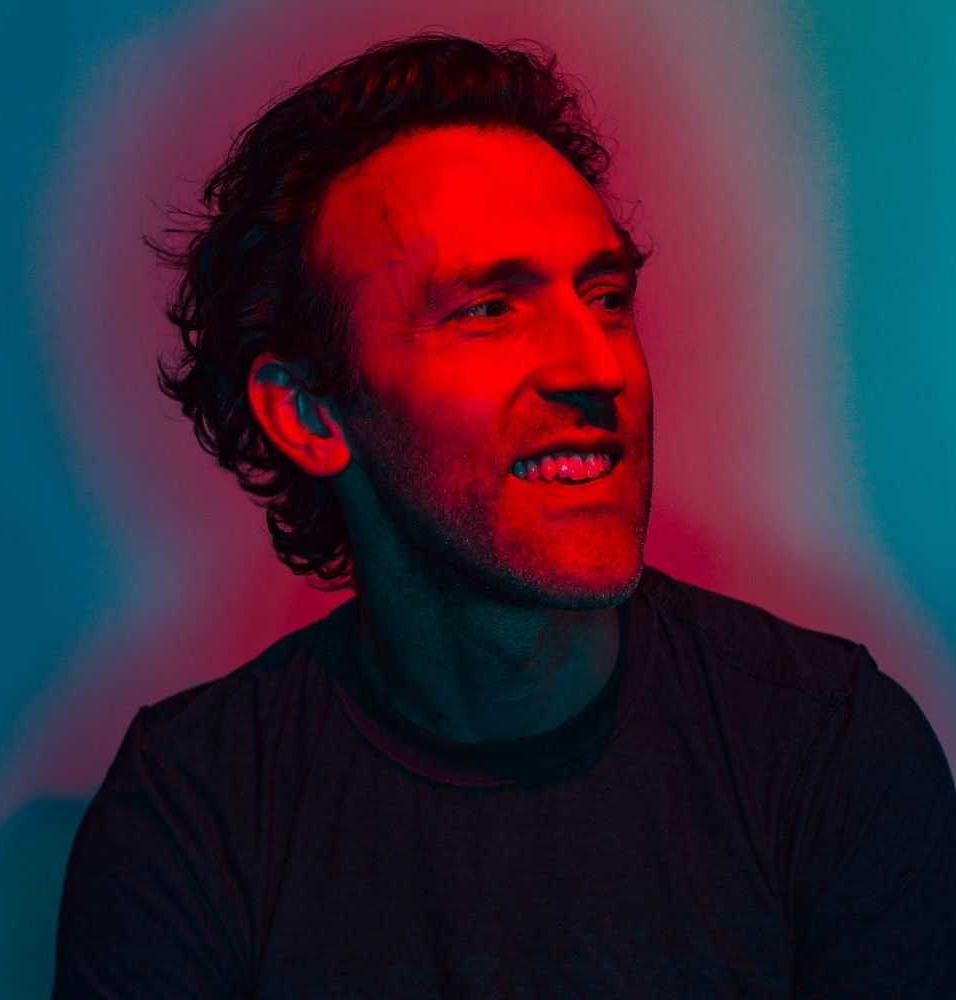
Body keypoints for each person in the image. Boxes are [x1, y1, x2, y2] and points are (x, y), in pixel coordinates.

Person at [53, 33, 955, 998]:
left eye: (605, 297)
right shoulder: (194, 815)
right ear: (309, 415)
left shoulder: (830, 751)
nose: (599, 366)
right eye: (489, 309)